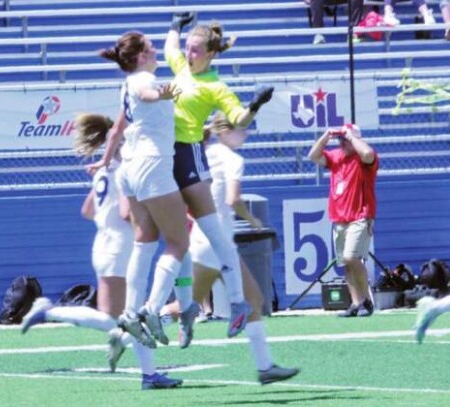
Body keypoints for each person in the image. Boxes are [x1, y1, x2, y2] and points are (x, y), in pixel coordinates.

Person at [21, 113, 183, 390]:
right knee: (123, 318)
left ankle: (149, 374)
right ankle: (48, 312)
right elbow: (124, 212)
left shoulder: (105, 171)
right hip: (119, 248)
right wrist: (153, 217)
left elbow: (87, 210)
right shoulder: (123, 170)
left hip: (105, 245)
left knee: (122, 317)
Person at [162, 113, 300, 384]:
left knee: (254, 300)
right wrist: (251, 219)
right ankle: (131, 327)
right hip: (214, 243)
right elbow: (233, 198)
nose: (245, 135)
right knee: (184, 305)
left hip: (211, 240)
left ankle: (265, 367)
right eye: (241, 129)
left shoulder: (203, 152)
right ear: (225, 131)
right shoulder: (231, 158)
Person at [163, 13, 275, 339]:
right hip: (173, 157)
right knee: (200, 295)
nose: (188, 53)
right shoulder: (181, 68)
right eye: (188, 48)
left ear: (211, 54)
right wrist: (175, 25)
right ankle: (147, 317)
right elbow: (170, 46)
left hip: (184, 155)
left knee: (237, 297)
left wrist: (255, 105)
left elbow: (238, 118)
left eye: (195, 50)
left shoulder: (215, 86)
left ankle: (262, 360)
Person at [86, 31, 200, 350]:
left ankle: (131, 313)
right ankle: (152, 308)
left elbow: (116, 130)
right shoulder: (140, 80)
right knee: (178, 241)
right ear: (138, 57)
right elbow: (149, 94)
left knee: (144, 242)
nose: (154, 51)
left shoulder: (128, 85)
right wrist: (164, 93)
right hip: (152, 166)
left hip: (130, 169)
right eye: (149, 48)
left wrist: (103, 162)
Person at [308, 124, 378, 317]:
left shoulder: (363, 157)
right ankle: (356, 303)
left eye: (345, 139)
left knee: (351, 257)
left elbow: (368, 154)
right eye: (341, 140)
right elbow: (313, 155)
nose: (342, 143)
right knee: (345, 264)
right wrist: (326, 136)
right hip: (339, 217)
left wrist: (352, 137)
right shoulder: (337, 156)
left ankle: (367, 300)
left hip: (360, 216)